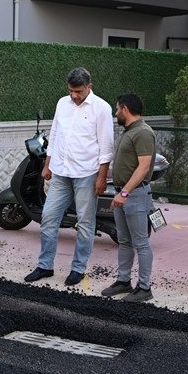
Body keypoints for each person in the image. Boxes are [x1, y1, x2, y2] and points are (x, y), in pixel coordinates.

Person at [25, 67, 114, 286]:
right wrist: (48, 164)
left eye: (79, 92)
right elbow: (55, 134)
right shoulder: (62, 103)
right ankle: (45, 265)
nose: (74, 95)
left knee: (84, 223)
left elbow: (106, 146)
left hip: (86, 173)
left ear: (89, 87)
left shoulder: (101, 108)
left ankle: (78, 268)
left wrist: (102, 178)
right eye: (71, 91)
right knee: (48, 218)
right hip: (61, 173)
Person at [100, 94, 156, 302]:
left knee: (140, 242)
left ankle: (144, 287)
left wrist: (124, 193)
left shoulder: (142, 132)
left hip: (135, 195)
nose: (116, 113)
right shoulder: (130, 131)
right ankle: (123, 281)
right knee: (124, 240)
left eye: (117, 109)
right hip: (123, 193)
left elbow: (143, 167)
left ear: (124, 108)